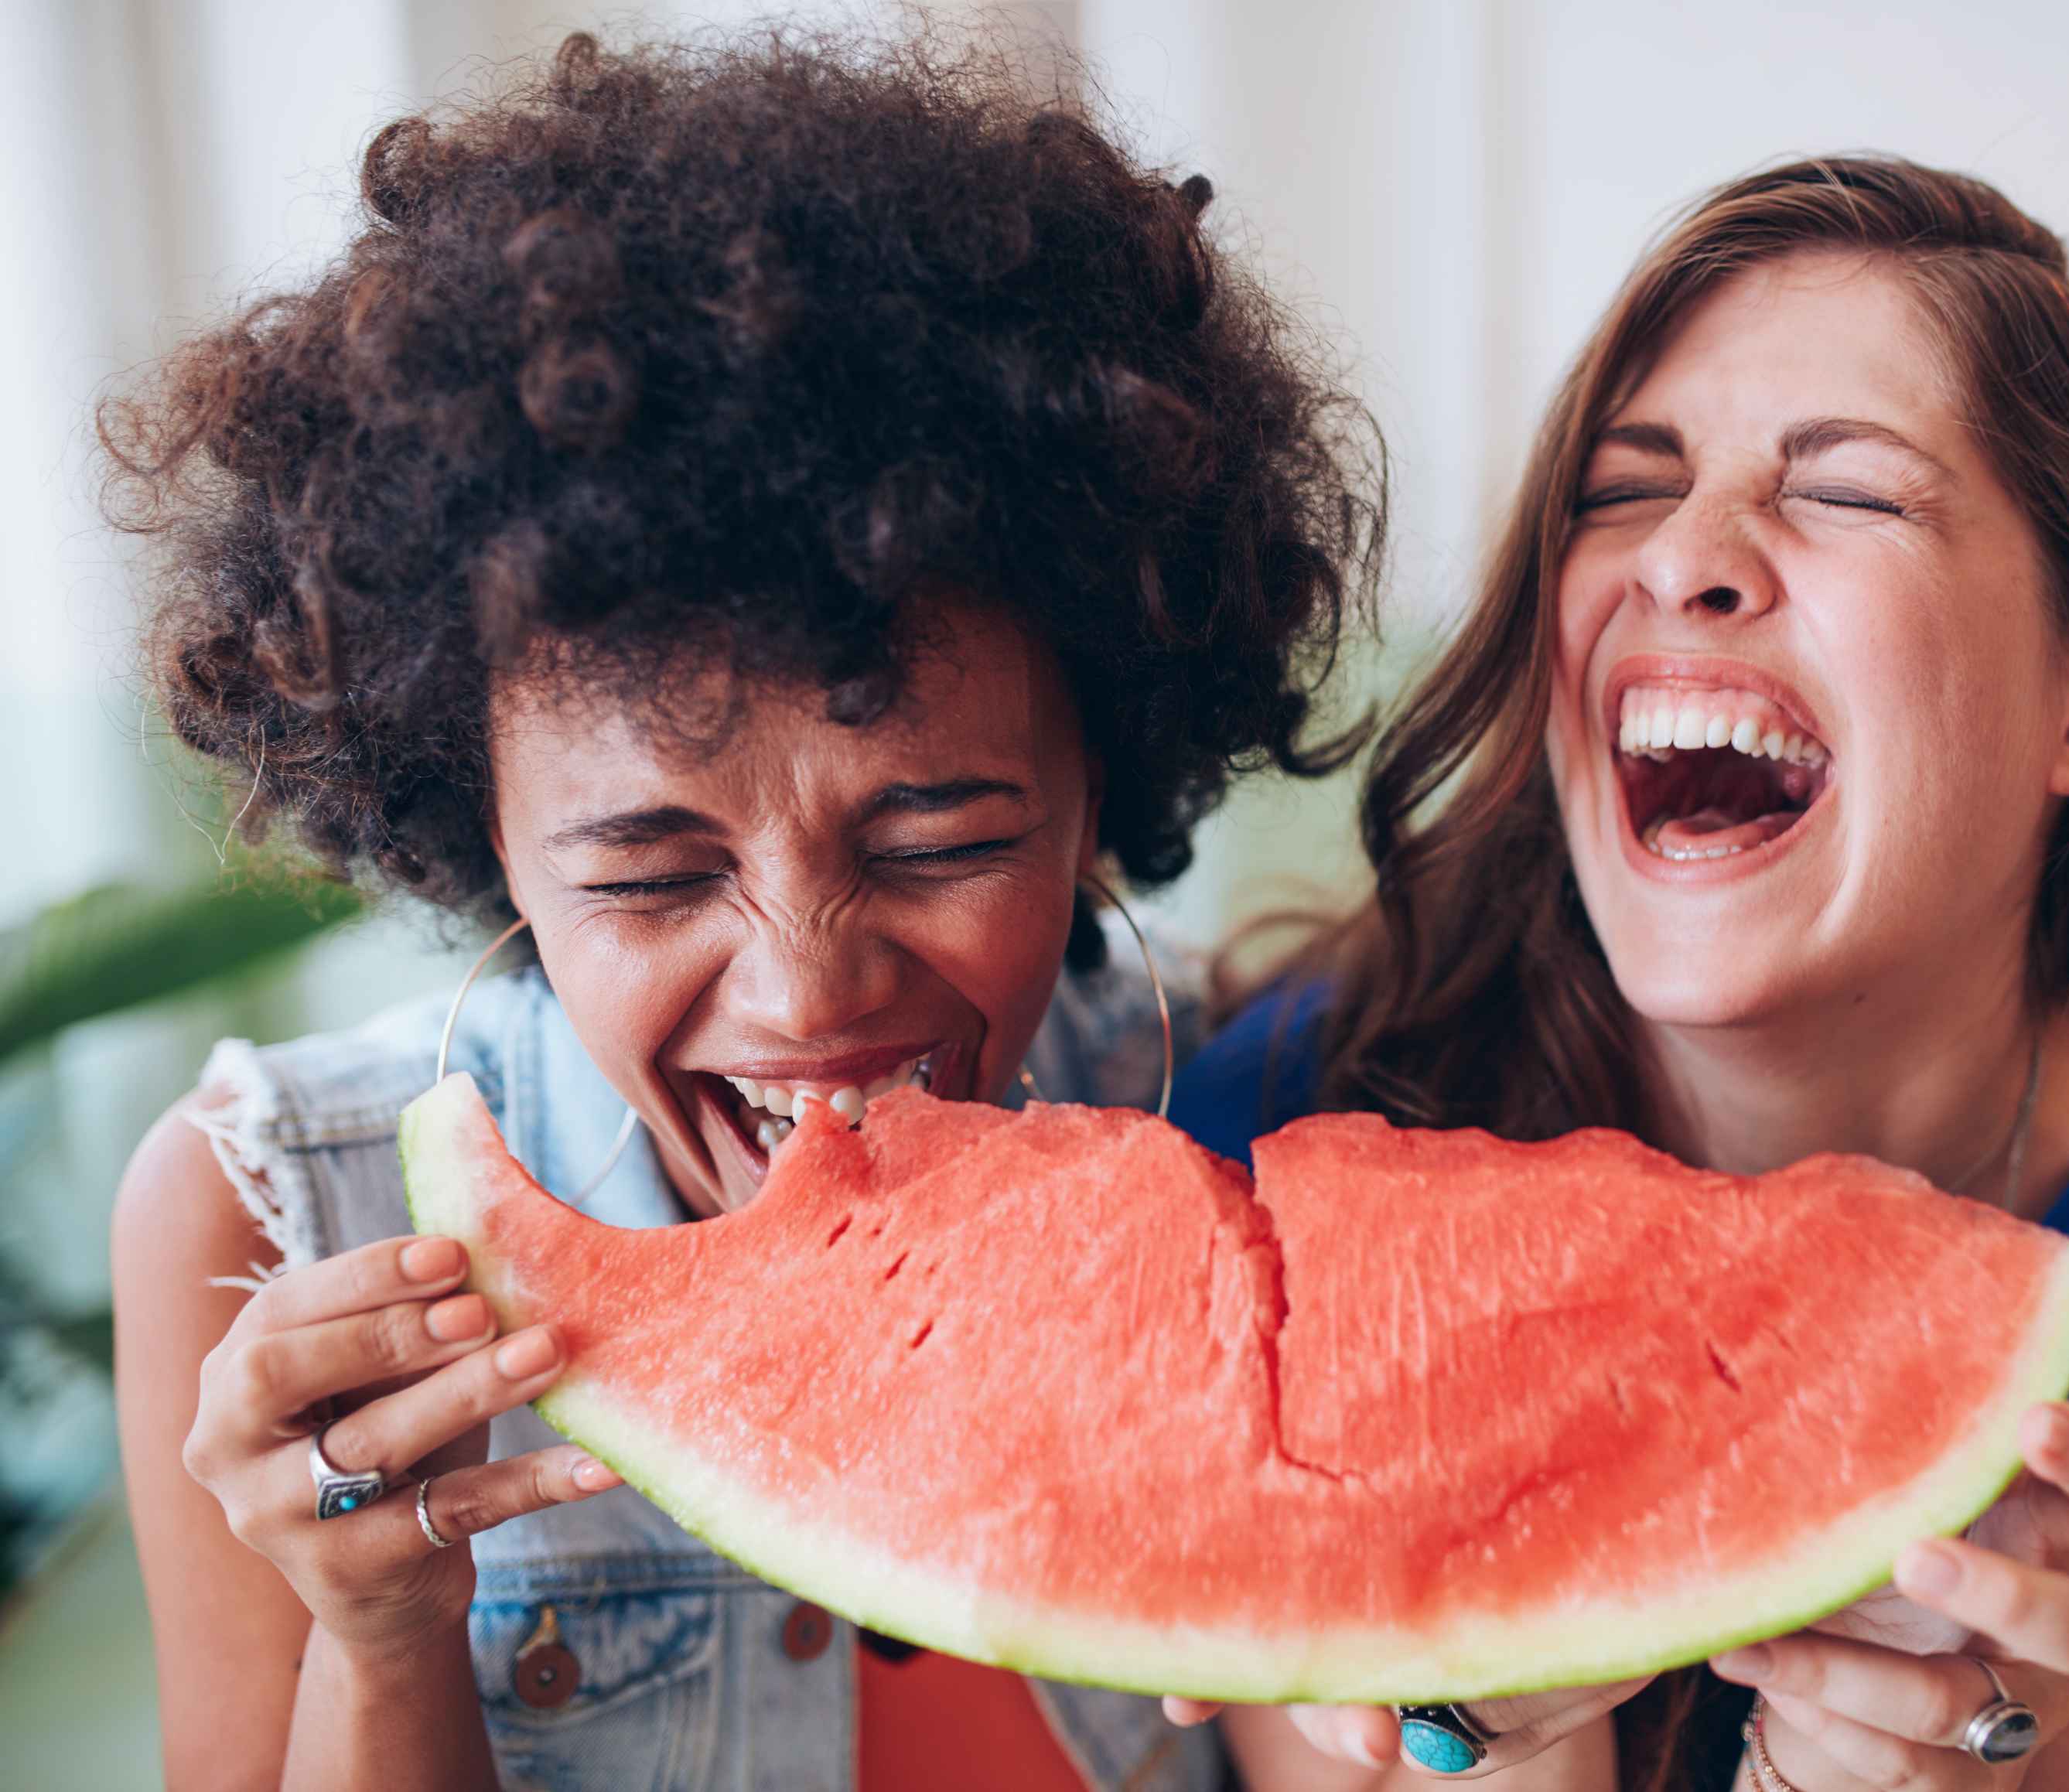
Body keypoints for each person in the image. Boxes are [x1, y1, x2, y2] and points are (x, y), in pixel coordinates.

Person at [102, 30, 1374, 1792]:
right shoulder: (263, 1208)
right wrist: (383, 1638)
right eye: (648, 874)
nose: (805, 989)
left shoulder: (1238, 1139)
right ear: (479, 826)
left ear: (1101, 780)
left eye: (935, 840)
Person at [1164, 156, 2069, 1790]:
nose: (1682, 556)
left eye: (1844, 492)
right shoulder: (1282, 1153)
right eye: (1624, 487)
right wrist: (1461, 1739)